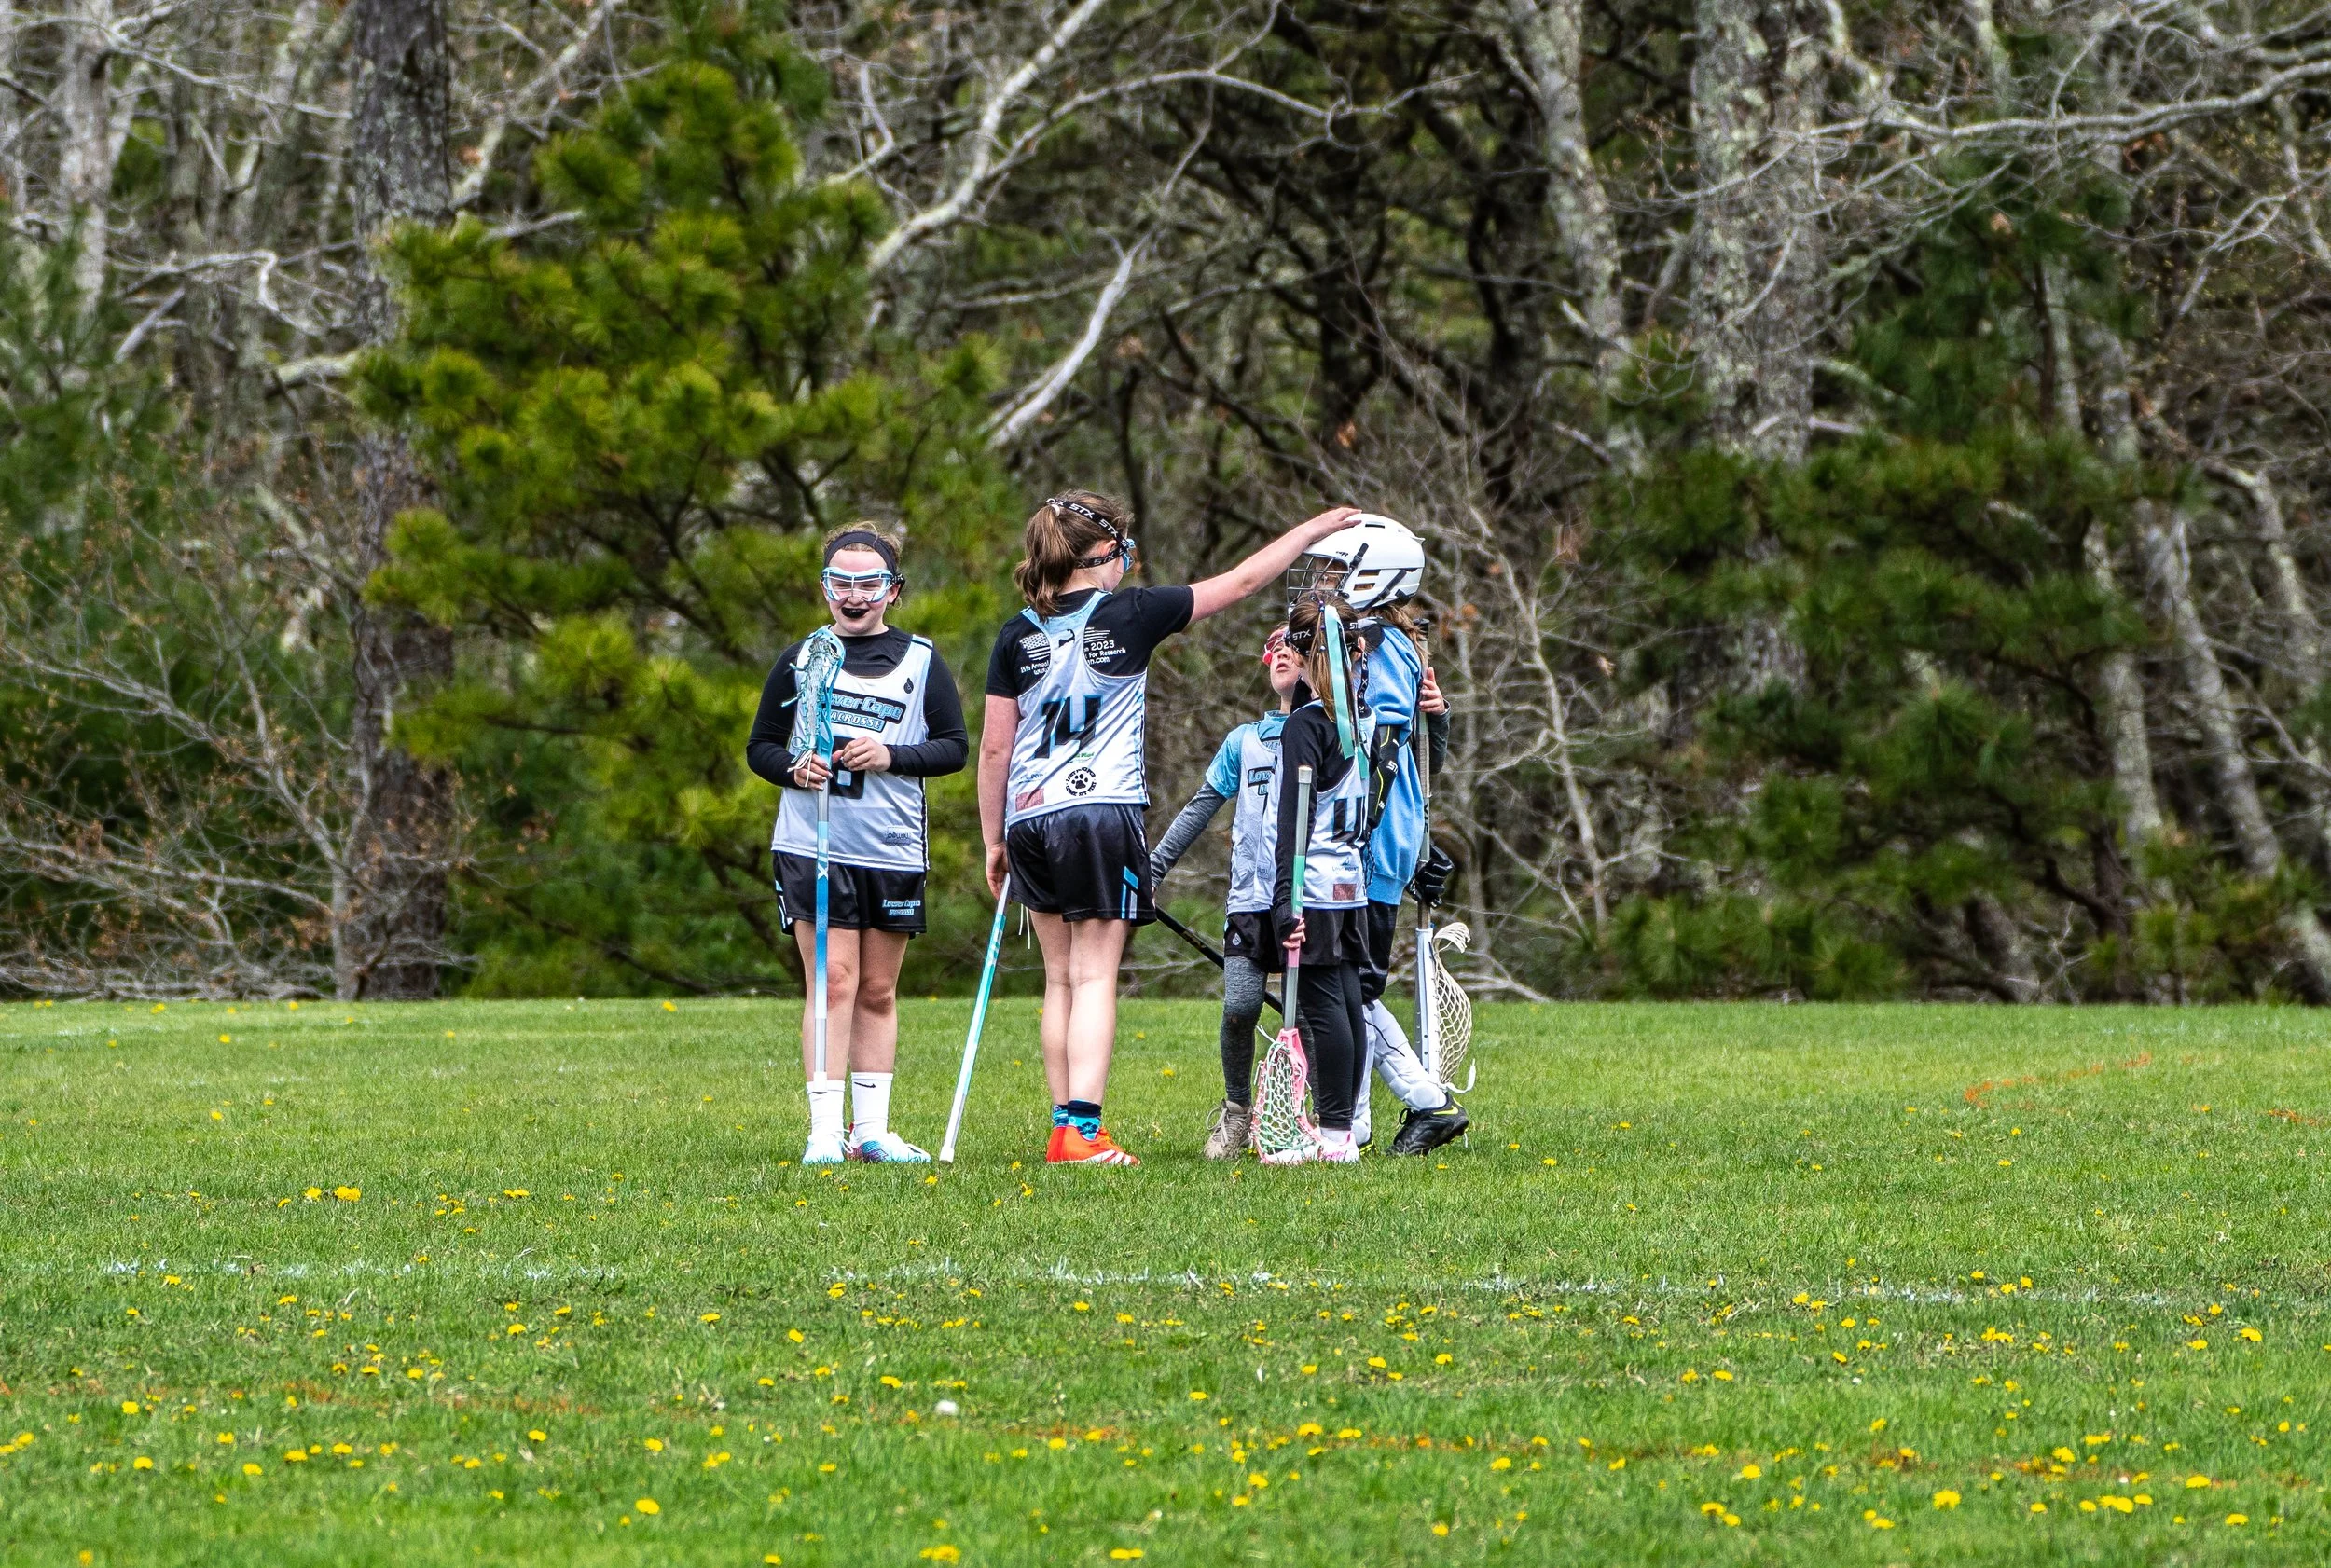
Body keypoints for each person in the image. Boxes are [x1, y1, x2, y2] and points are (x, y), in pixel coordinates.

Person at [979, 492, 1360, 1166]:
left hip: (1030, 815)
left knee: (1059, 978)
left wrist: (994, 838)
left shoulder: (1017, 632)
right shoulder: (1131, 610)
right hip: (1100, 811)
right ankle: (1085, 1131)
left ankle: (1064, 1125)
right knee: (1095, 975)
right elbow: (1240, 582)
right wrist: (1308, 530)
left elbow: (994, 751)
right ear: (1103, 554)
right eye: (1124, 553)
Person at [746, 524, 967, 1164]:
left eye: (868, 582)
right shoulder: (802, 657)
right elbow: (761, 747)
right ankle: (823, 1129)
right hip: (815, 844)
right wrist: (795, 768)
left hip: (892, 847)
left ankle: (871, 1130)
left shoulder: (922, 661)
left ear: (892, 591)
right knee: (834, 982)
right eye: (840, 581)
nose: (853, 594)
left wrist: (890, 753)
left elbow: (952, 747)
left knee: (876, 989)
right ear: (824, 588)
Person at [1285, 515, 1466, 1155]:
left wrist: (1382, 842)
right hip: (1374, 841)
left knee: (1348, 988)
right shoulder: (1378, 644)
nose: (1324, 583)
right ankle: (1355, 1120)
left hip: (1368, 844)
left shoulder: (1379, 651)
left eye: (1335, 572)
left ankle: (1423, 1103)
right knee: (1347, 987)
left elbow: (1378, 753)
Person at [1149, 626, 1304, 1158]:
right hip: (1250, 900)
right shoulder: (1246, 740)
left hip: (1313, 900)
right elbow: (1200, 807)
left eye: (1297, 646)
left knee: (1309, 1012)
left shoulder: (1334, 733)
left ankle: (1323, 1115)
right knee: (1240, 1007)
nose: (1283, 653)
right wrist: (1155, 868)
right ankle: (1238, 1112)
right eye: (1275, 646)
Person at [1264, 595, 1374, 1164]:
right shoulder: (1362, 716)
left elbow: (1292, 820)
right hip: (1352, 883)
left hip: (1317, 881)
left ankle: (1335, 1134)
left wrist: (1285, 898)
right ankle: (1343, 1129)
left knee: (1327, 1006)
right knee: (1349, 1004)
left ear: (1308, 657)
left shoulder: (1308, 725)